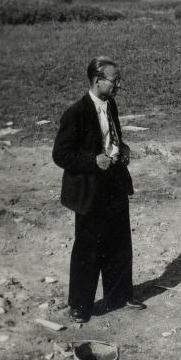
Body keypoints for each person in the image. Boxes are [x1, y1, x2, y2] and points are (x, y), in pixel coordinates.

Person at [52, 56, 146, 322]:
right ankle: (80, 305)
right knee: (88, 248)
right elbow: (60, 155)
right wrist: (92, 161)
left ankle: (120, 295)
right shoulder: (75, 113)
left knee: (119, 241)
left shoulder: (110, 104)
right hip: (90, 189)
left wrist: (122, 148)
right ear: (97, 81)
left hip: (114, 182)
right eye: (115, 80)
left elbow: (110, 136)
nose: (119, 85)